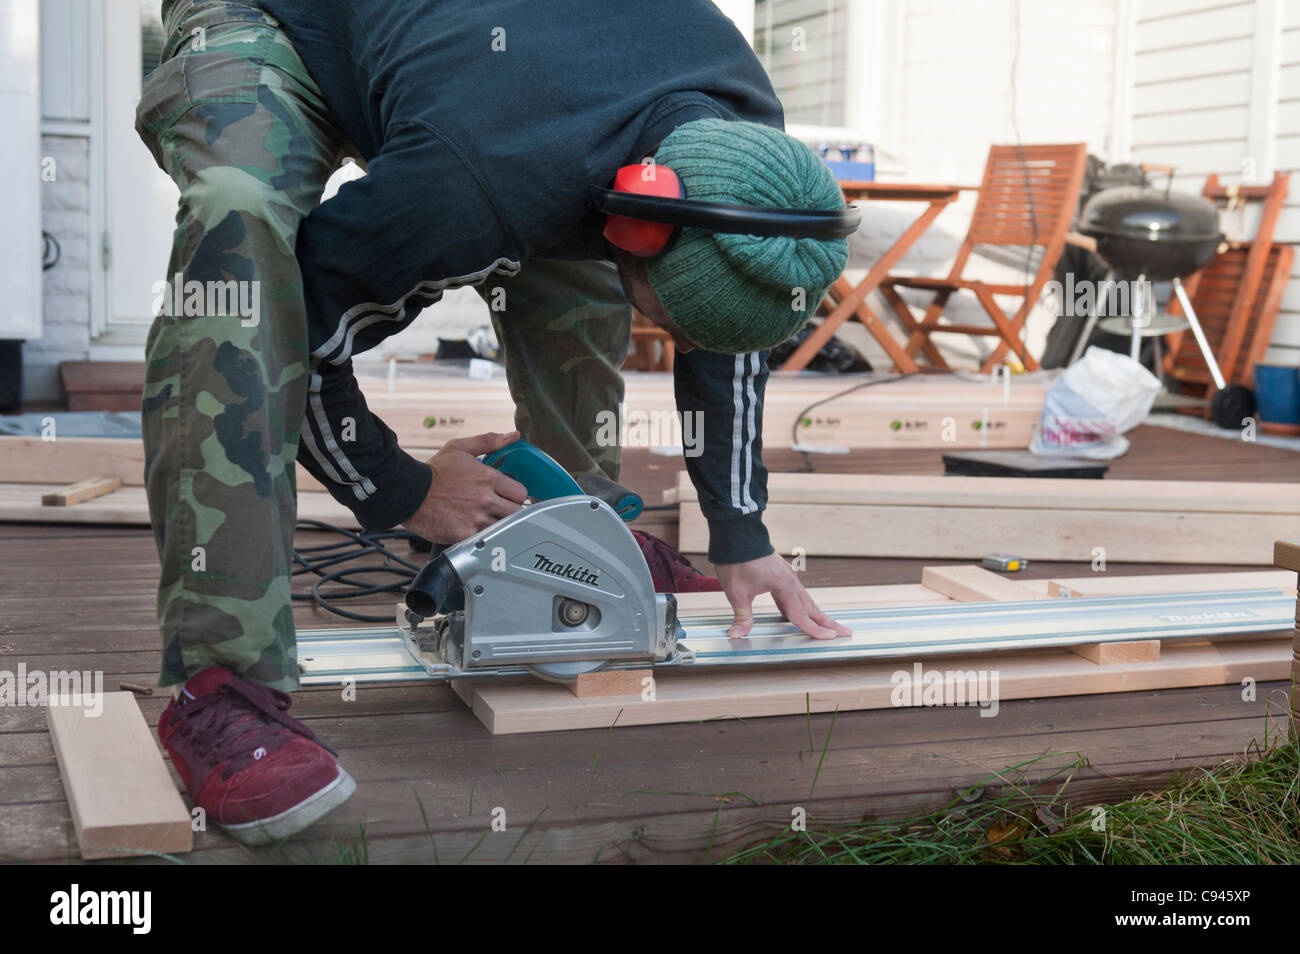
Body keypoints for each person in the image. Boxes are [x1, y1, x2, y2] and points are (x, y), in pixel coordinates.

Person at [136, 0, 854, 844]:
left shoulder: (745, 151)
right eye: (680, 323)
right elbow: (315, 320)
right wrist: (405, 490)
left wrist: (741, 532)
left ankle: (585, 535)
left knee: (578, 272)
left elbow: (733, 315)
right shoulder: (478, 173)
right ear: (641, 223)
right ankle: (220, 687)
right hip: (281, 19)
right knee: (243, 244)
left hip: (486, 76)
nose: (685, 344)